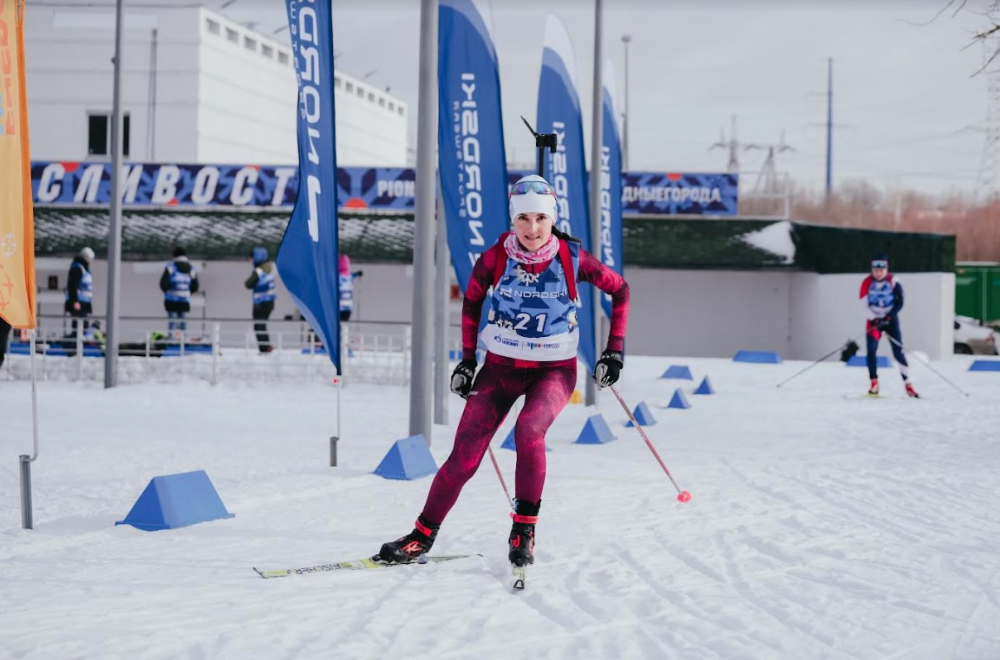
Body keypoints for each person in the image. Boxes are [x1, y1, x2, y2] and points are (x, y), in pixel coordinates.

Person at [376, 174, 630, 570]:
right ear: (513, 220)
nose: (532, 229)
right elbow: (472, 304)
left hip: (554, 371)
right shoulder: (494, 258)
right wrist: (466, 360)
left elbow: (621, 290)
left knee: (529, 432)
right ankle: (421, 536)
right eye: (524, 219)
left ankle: (523, 531)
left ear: (552, 219)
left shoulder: (573, 257)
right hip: (500, 369)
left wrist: (614, 351)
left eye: (541, 219)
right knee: (463, 458)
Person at [860, 253, 918, 398]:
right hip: (874, 322)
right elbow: (862, 305)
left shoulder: (894, 281)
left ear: (886, 269)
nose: (878, 273)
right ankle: (874, 383)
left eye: (881, 270)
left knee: (898, 352)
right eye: (875, 270)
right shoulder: (866, 283)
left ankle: (908, 384)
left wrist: (889, 316)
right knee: (871, 350)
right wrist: (874, 319)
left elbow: (900, 302)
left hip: (890, 321)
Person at [159, 246, 199, 337]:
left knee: (172, 322)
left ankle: (171, 338)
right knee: (184, 323)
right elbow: (195, 286)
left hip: (171, 299)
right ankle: (184, 340)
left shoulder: (170, 267)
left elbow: (163, 284)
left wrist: (168, 292)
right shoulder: (191, 269)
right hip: (185, 299)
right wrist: (188, 293)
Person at [244, 246, 276, 353]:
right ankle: (266, 346)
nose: (250, 260)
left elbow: (248, 284)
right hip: (270, 302)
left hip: (260, 303)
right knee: (262, 325)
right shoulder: (271, 267)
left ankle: (264, 348)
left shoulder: (258, 271)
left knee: (258, 326)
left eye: (251, 258)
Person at [64, 246, 95, 336]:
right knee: (79, 325)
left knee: (83, 325)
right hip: (78, 303)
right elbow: (72, 285)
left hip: (84, 303)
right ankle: (76, 344)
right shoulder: (77, 268)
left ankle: (80, 342)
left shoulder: (84, 269)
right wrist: (75, 301)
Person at [338, 255, 363, 321]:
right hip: (348, 307)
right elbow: (354, 275)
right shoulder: (349, 276)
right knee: (345, 326)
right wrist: (358, 274)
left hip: (338, 308)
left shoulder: (336, 276)